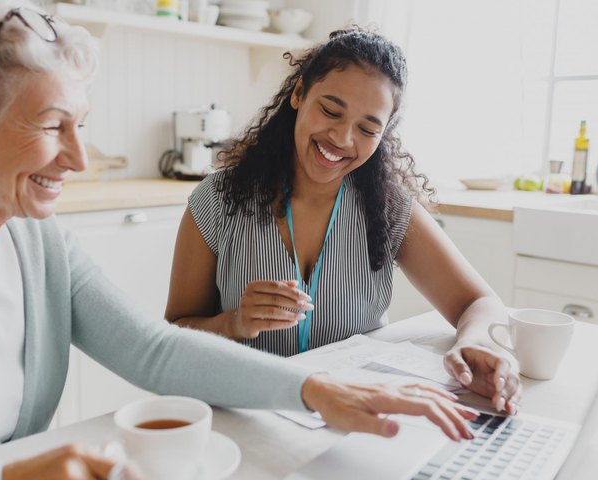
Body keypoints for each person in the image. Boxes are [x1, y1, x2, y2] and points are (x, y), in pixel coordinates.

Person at [0, 3, 479, 479]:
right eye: (54, 127)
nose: (79, 159)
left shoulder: (38, 244)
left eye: (82, 125)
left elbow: (154, 348)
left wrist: (313, 389)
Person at [166, 27, 522, 416]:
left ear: (384, 134)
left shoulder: (388, 207)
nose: (342, 137)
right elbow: (173, 335)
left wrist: (479, 343)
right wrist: (232, 323)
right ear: (298, 94)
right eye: (330, 111)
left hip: (350, 422)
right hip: (246, 415)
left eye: (368, 128)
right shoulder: (218, 200)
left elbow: (481, 302)